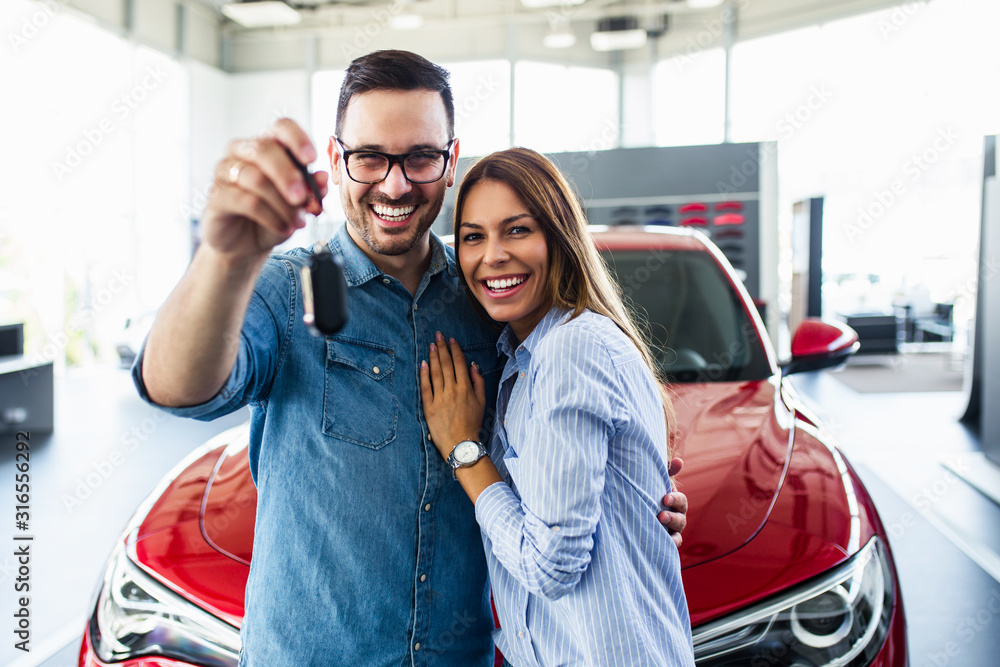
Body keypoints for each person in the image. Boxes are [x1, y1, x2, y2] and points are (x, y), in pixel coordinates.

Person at [134, 50, 688, 666]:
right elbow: (176, 388)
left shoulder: (489, 303)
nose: (394, 185)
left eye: (420, 157)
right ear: (338, 160)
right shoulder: (289, 291)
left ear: (450, 162)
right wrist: (224, 257)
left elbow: (554, 439)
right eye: (370, 157)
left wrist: (629, 497)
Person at [420, 147, 696, 666]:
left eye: (517, 230)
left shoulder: (573, 349)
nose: (493, 255)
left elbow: (550, 567)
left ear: (559, 236)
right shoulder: (523, 359)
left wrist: (464, 450)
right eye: (474, 236)